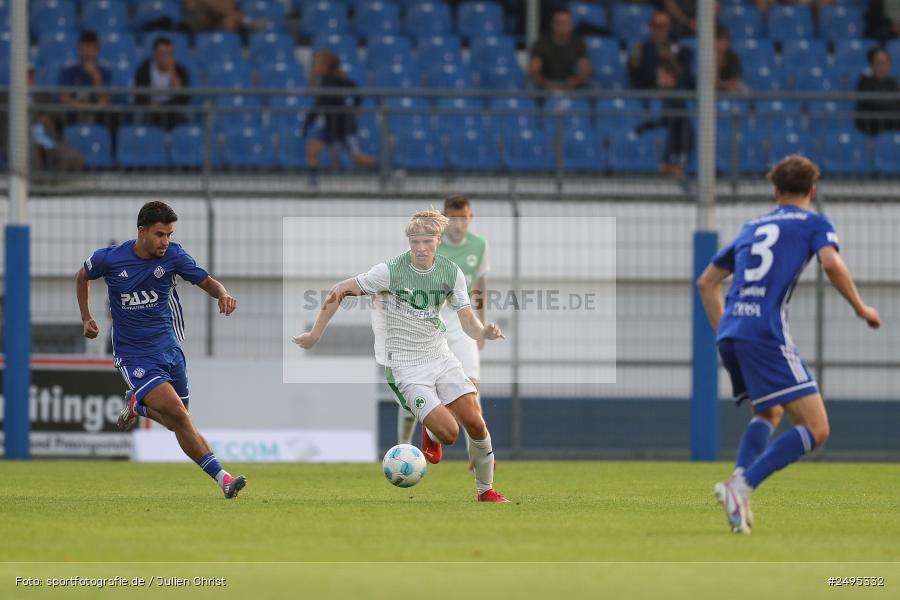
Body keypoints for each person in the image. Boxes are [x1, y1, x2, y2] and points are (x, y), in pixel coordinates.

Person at [696, 155, 880, 534]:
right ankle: (740, 487)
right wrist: (861, 307)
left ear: (775, 191)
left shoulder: (753, 226)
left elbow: (705, 283)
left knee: (770, 413)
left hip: (732, 332)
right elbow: (832, 264)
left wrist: (723, 330)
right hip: (765, 334)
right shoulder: (814, 223)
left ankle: (738, 493)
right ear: (812, 191)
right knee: (817, 428)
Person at [292, 210, 509, 503]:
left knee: (476, 422)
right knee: (450, 433)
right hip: (405, 367)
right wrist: (315, 334)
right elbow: (340, 289)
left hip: (440, 356)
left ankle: (486, 491)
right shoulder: (390, 271)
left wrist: (484, 332)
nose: (421, 247)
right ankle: (432, 430)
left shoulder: (450, 273)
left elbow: (468, 320)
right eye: (415, 241)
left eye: (427, 241)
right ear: (409, 242)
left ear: (438, 241)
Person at [75, 202, 247, 500]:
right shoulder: (110, 260)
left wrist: (223, 293)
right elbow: (82, 277)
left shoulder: (174, 256)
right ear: (141, 231)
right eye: (159, 234)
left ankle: (138, 405)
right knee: (180, 416)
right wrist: (86, 317)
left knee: (181, 422)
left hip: (169, 350)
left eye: (169, 234)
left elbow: (206, 282)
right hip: (134, 356)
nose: (165, 241)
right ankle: (224, 478)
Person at [396, 197, 490, 471]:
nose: (458, 224)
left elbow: (480, 286)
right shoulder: (432, 243)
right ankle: (403, 447)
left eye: (463, 218)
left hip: (462, 326)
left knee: (471, 389)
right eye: (453, 218)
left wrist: (481, 327)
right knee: (416, 392)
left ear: (470, 218)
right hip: (429, 324)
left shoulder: (479, 245)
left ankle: (477, 458)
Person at [302, 50, 377, 187]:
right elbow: (319, 105)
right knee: (312, 148)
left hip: (344, 127)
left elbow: (355, 91)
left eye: (317, 64)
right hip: (330, 128)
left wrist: (356, 106)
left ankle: (386, 172)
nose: (314, 67)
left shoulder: (335, 81)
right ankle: (313, 182)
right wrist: (307, 123)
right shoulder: (324, 82)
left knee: (357, 156)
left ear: (326, 66)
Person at [134, 36, 191, 131]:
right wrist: (150, 105)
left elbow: (184, 97)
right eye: (163, 54)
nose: (166, 58)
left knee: (183, 116)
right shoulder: (143, 70)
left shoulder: (180, 70)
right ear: (155, 54)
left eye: (169, 54)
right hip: (150, 108)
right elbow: (139, 95)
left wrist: (173, 76)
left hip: (172, 109)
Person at [528, 7, 591, 90]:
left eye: (566, 23)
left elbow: (585, 70)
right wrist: (547, 84)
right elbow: (533, 71)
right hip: (545, 89)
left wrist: (575, 81)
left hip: (572, 88)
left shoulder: (578, 43)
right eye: (559, 23)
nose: (562, 27)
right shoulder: (541, 43)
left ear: (571, 25)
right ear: (552, 24)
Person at [58, 31, 111, 126]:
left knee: (111, 117)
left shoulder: (104, 70)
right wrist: (83, 107)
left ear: (97, 50)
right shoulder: (68, 69)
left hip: (96, 111)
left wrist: (95, 76)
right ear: (79, 49)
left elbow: (105, 99)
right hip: (74, 110)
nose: (88, 53)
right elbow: (65, 98)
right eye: (85, 49)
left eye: (92, 49)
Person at [628, 11, 679, 90]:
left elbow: (681, 73)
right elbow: (635, 72)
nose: (661, 29)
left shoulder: (675, 46)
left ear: (669, 27)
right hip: (648, 90)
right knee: (649, 50)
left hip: (672, 90)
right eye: (657, 25)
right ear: (650, 26)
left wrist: (671, 60)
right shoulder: (640, 47)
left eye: (664, 25)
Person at [855, 48, 900, 136]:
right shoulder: (864, 81)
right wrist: (890, 103)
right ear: (872, 64)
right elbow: (872, 103)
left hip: (891, 124)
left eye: (885, 63)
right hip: (871, 127)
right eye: (879, 63)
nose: (882, 66)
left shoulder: (892, 82)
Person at [715, 25, 743, 93]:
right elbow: (710, 83)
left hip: (730, 91)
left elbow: (734, 82)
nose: (724, 44)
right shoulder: (705, 58)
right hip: (711, 92)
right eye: (720, 40)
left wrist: (723, 85)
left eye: (726, 40)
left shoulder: (733, 57)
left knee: (742, 88)